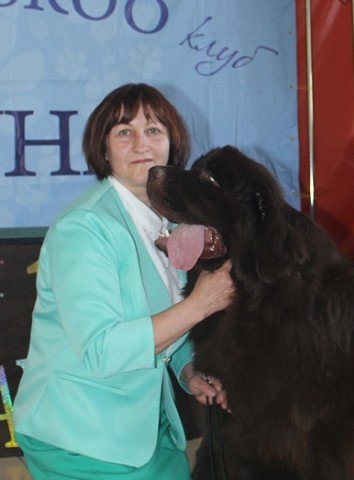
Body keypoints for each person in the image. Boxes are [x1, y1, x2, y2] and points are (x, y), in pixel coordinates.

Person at [12, 83, 234, 479]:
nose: (140, 144)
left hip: (145, 427)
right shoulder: (83, 229)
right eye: (124, 132)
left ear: (172, 142)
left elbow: (162, 318)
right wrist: (200, 304)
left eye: (153, 130)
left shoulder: (167, 219)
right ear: (104, 149)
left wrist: (187, 370)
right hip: (79, 435)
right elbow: (102, 349)